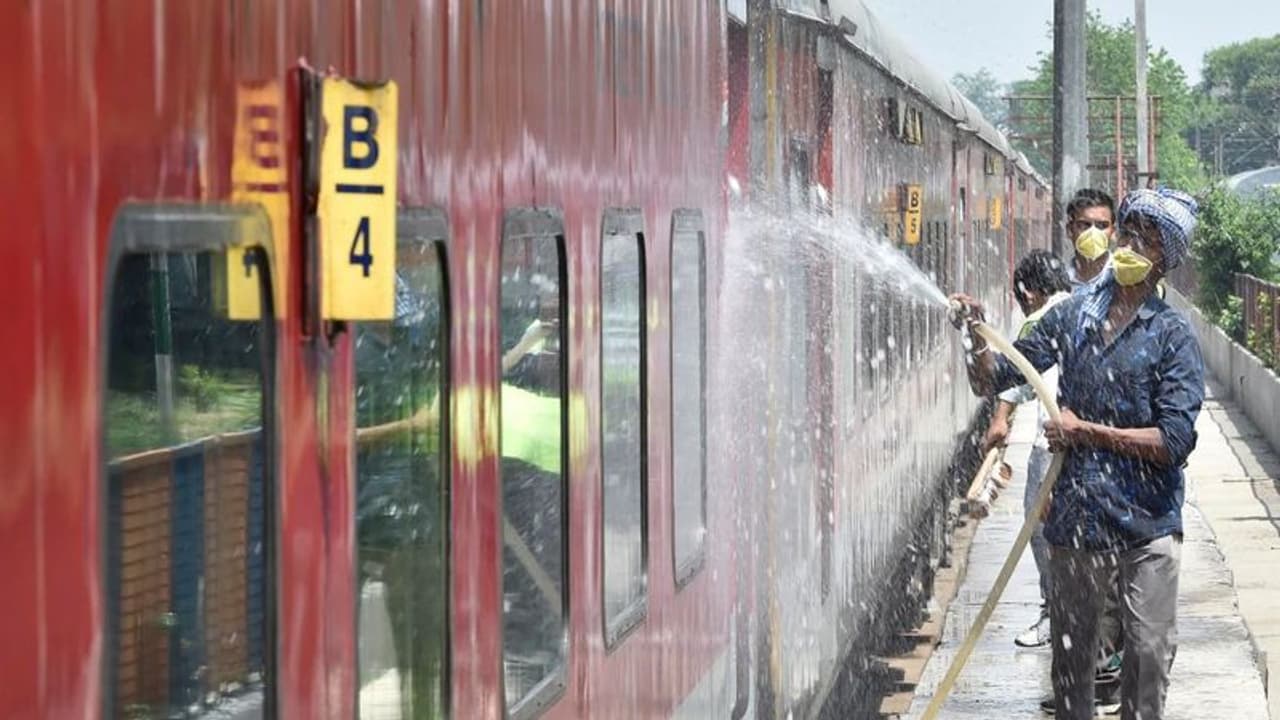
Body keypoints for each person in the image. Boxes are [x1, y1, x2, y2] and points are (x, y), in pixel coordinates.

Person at [950, 187, 1205, 720]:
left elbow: (1174, 441)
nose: (1133, 243)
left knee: (1147, 657)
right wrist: (976, 336)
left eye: (1149, 241)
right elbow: (995, 378)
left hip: (1146, 527)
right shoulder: (1072, 320)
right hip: (1078, 523)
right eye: (1130, 231)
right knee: (1072, 670)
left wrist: (1085, 431)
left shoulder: (1171, 336)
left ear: (1165, 263)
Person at [979, 251, 1072, 650]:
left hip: (1050, 444)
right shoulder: (1076, 305)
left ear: (1027, 292)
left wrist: (1000, 417)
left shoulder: (1041, 319)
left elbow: (1017, 373)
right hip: (1073, 438)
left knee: (1042, 534)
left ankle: (1054, 614)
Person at [1066, 188, 1116, 288]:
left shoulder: (1123, 279)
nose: (1093, 232)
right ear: (1070, 230)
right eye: (1085, 225)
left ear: (1113, 232)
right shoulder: (1060, 283)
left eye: (1102, 225)